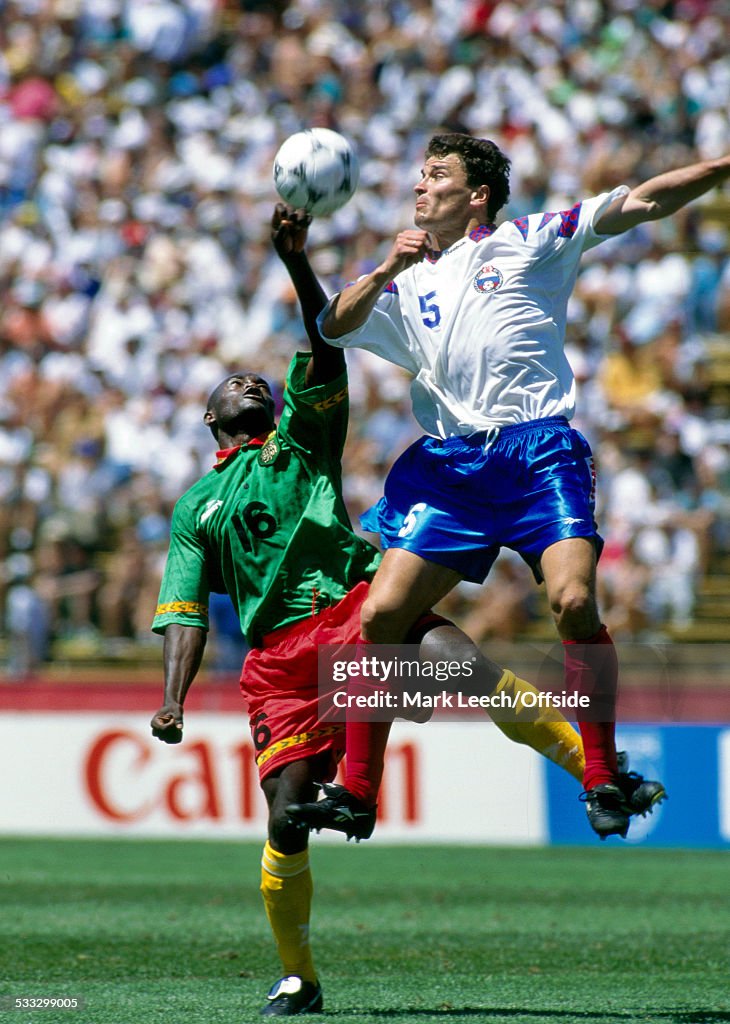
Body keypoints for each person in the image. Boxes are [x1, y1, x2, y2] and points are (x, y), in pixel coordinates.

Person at [149, 204, 604, 1017]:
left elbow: (326, 338)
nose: (250, 381)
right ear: (212, 420)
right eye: (233, 385)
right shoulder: (196, 509)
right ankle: (299, 975)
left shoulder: (302, 441)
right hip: (280, 662)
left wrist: (298, 260)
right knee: (288, 820)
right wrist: (173, 699)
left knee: (463, 666)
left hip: (357, 610)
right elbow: (183, 608)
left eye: (260, 378)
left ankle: (596, 774)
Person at [290, 135, 726, 842]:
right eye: (420, 175)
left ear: (478, 195)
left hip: (536, 452)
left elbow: (643, 199)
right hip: (450, 467)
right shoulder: (405, 281)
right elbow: (330, 326)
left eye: (437, 175)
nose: (420, 186)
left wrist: (722, 167)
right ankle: (357, 791)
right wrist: (386, 268)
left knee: (573, 599)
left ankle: (601, 772)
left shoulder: (528, 241)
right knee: (380, 617)